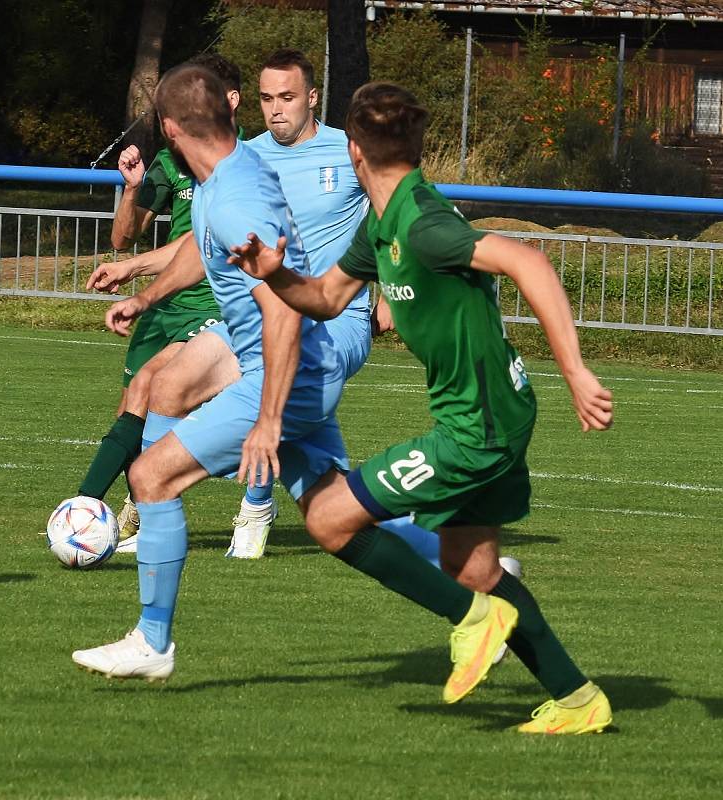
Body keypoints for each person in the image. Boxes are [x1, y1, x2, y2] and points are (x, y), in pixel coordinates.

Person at [72, 66, 525, 717]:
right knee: (332, 508)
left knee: (151, 476)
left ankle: (152, 640)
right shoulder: (234, 175)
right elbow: (213, 249)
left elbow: (281, 312)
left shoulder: (233, 195)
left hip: (284, 372)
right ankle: (488, 587)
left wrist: (267, 419)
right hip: (295, 369)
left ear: (170, 129)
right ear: (230, 113)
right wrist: (146, 296)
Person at [227, 82, 615, 734]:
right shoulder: (382, 221)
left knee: (326, 518)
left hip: (476, 428)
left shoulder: (424, 225)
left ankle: (473, 619)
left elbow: (528, 261)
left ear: (352, 149)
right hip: (494, 413)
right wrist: (273, 271)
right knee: (473, 567)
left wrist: (575, 369)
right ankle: (577, 700)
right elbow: (324, 297)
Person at [89, 49, 375, 558]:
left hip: (327, 326)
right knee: (167, 385)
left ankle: (239, 511)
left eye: (287, 97)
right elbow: (209, 244)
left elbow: (394, 211)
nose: (276, 109)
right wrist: (145, 292)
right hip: (270, 331)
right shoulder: (244, 161)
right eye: (267, 99)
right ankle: (463, 562)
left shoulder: (342, 152)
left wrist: (391, 280)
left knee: (170, 464)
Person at [74, 53, 242, 542]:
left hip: (212, 304)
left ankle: (84, 509)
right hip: (164, 301)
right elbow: (123, 239)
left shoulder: (242, 162)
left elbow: (201, 247)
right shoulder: (171, 161)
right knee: (131, 404)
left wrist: (132, 271)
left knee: (151, 389)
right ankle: (130, 505)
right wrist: (131, 189)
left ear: (229, 100)